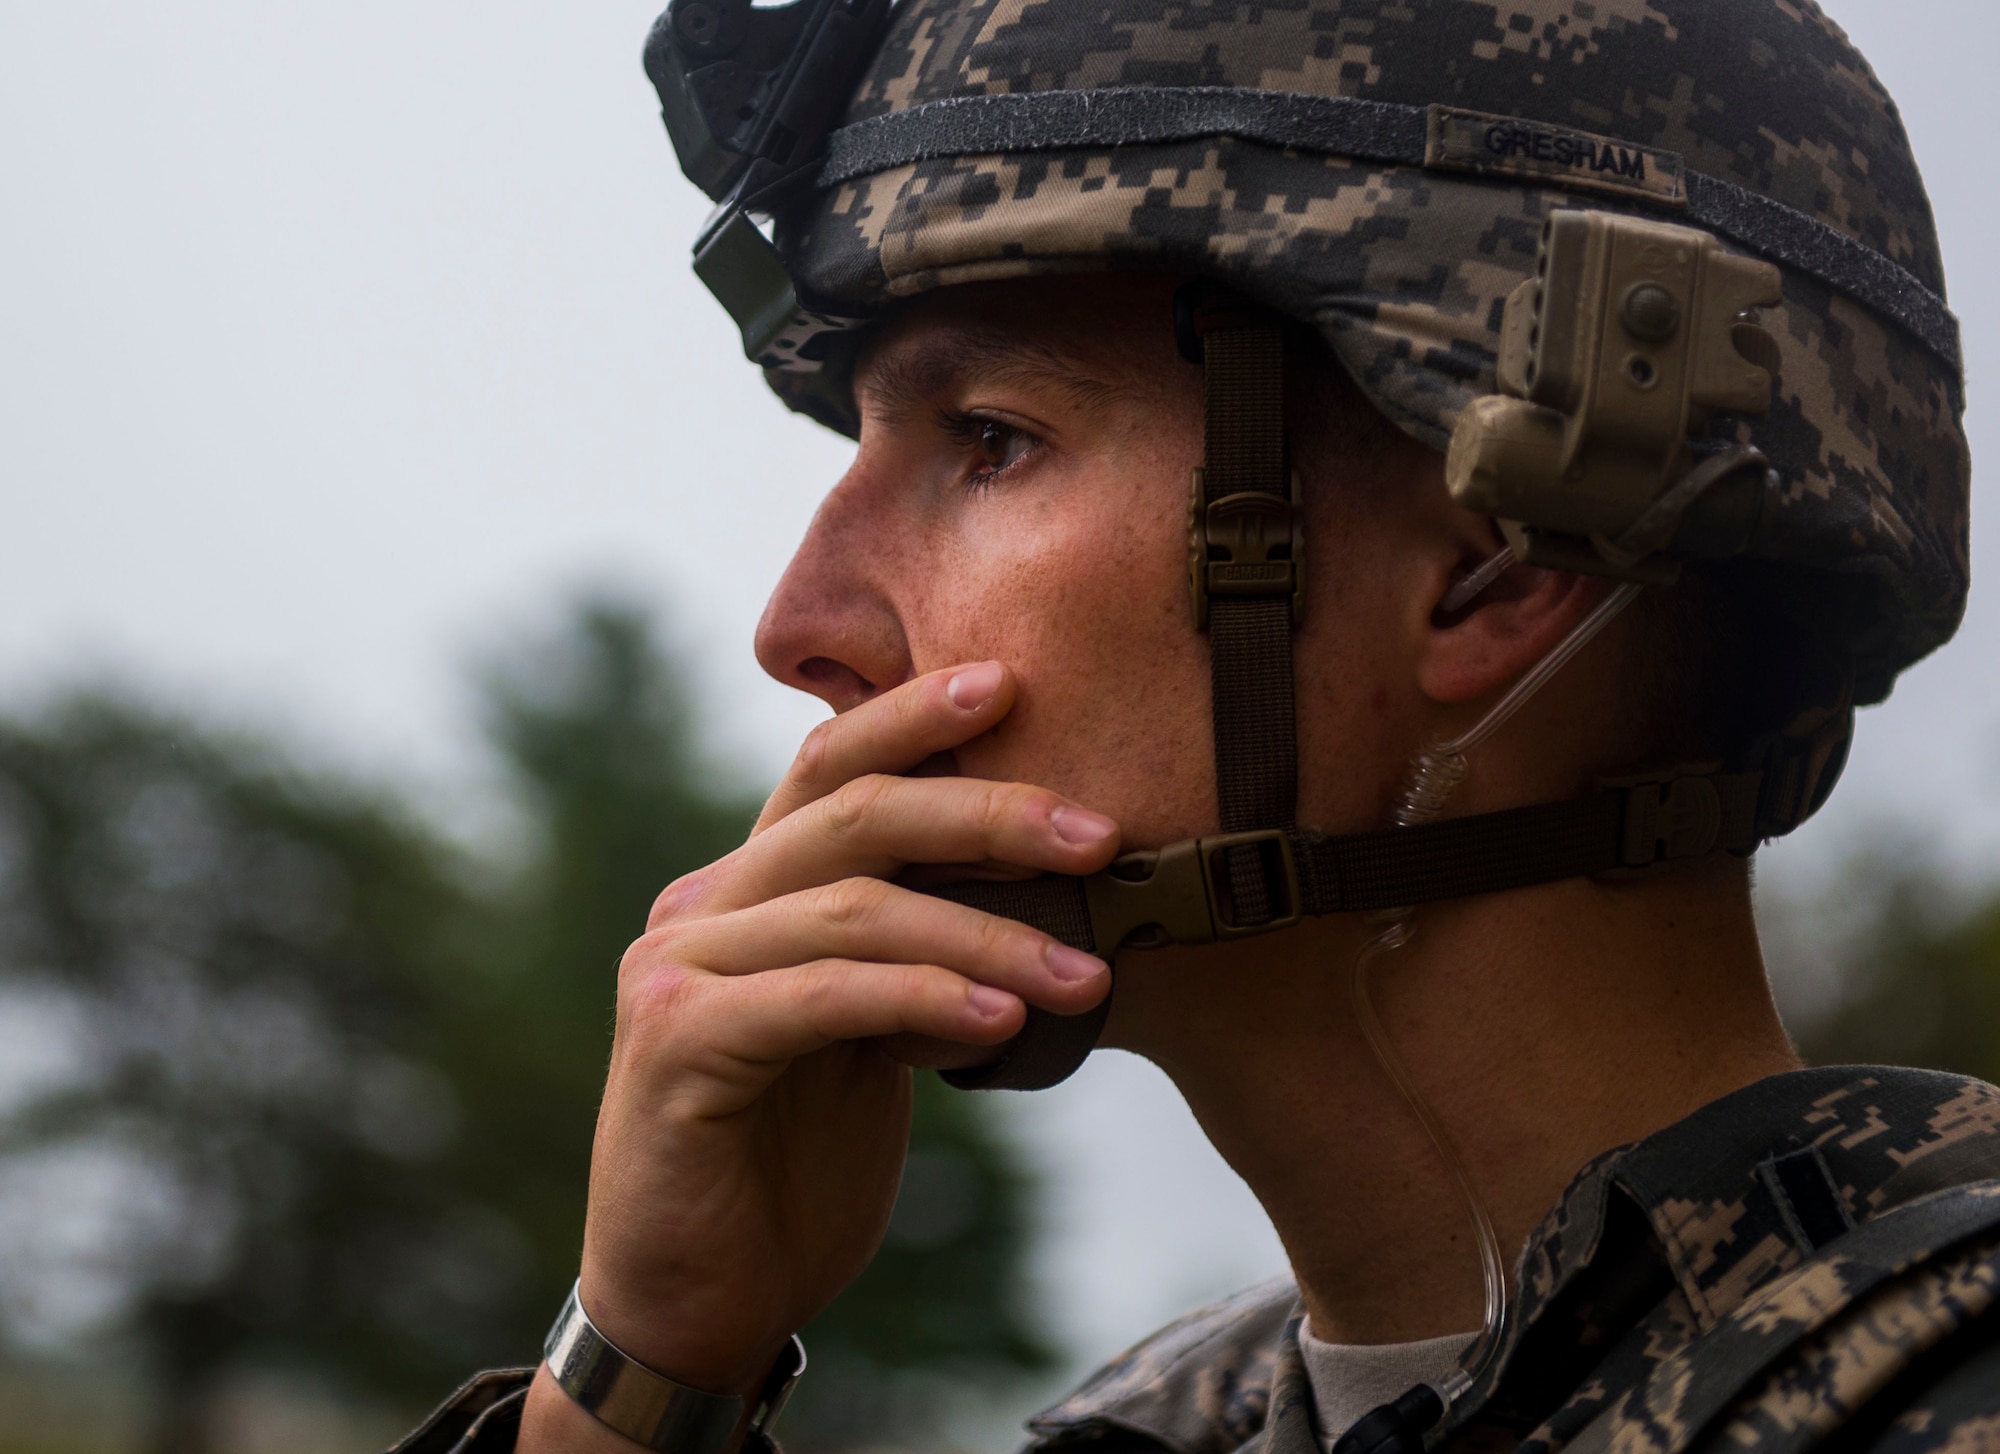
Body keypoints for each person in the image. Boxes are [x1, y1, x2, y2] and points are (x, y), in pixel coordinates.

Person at [396, 2, 1996, 1451]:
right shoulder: (1159, 1430)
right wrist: (642, 1381)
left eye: (991, 441)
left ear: (1503, 564)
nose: (801, 625)